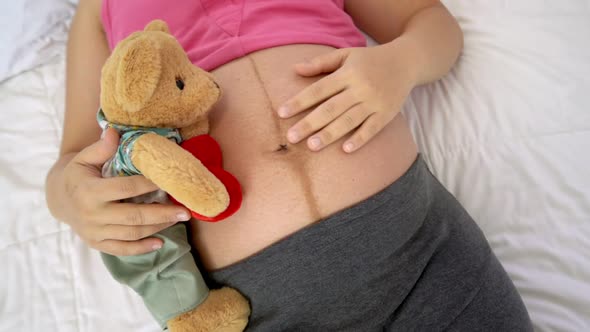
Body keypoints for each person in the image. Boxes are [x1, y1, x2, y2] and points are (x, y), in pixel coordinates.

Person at [45, 0, 534, 331]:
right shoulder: (99, 8)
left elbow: (431, 21)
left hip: (423, 257)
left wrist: (399, 65)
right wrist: (73, 199)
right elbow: (74, 157)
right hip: (259, 303)